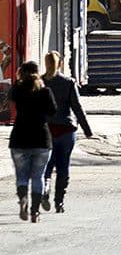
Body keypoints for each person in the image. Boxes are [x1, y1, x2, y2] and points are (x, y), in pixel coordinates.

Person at [41, 51, 92, 214]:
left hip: (46, 130)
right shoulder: (69, 82)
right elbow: (77, 107)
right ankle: (59, 202)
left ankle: (45, 188)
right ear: (60, 64)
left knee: (47, 166)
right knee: (63, 166)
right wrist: (87, 129)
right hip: (66, 130)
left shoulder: (39, 83)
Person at [8, 61, 56, 223]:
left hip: (19, 139)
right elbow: (53, 111)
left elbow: (11, 97)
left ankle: (23, 199)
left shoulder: (17, 90)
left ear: (21, 72)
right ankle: (35, 212)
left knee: (21, 177)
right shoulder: (45, 91)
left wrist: (18, 80)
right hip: (41, 139)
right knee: (38, 176)